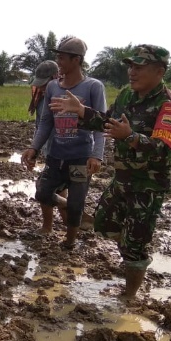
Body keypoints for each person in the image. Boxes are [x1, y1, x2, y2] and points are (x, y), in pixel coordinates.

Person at [50, 44, 171, 299]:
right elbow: (106, 121)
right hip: (122, 178)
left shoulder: (170, 105)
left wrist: (131, 137)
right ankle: (132, 244)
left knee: (135, 246)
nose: (132, 72)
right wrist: (82, 111)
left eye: (139, 67)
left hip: (148, 186)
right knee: (104, 222)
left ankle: (129, 296)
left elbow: (161, 148)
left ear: (159, 71)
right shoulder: (126, 96)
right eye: (131, 67)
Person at [21, 37, 106, 247]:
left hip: (80, 157)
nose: (58, 61)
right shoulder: (52, 87)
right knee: (43, 192)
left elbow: (101, 124)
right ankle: (65, 210)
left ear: (76, 60)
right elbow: (45, 123)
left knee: (77, 203)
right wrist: (34, 147)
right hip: (56, 155)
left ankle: (69, 241)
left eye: (62, 57)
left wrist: (97, 155)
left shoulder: (93, 87)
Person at [28, 60, 59, 157]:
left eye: (44, 84)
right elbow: (39, 126)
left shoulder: (67, 97)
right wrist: (35, 150)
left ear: (55, 77)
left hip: (67, 152)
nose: (41, 88)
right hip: (49, 153)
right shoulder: (40, 99)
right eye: (39, 84)